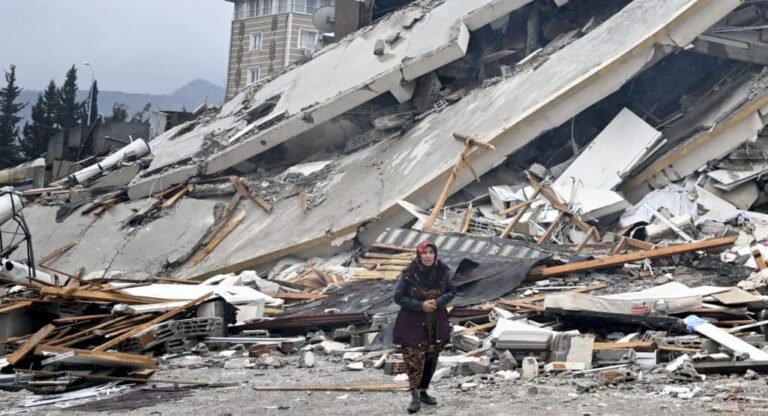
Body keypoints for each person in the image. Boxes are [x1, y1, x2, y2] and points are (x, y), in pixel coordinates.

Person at [393, 240, 456, 413]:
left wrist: (438, 302)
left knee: (431, 357)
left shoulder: (442, 271)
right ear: (419, 255)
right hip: (412, 323)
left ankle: (423, 391)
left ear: (435, 254)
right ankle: (415, 396)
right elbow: (398, 296)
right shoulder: (410, 273)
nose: (428, 256)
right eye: (424, 253)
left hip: (435, 322)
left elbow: (452, 291)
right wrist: (420, 305)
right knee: (413, 358)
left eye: (431, 252)